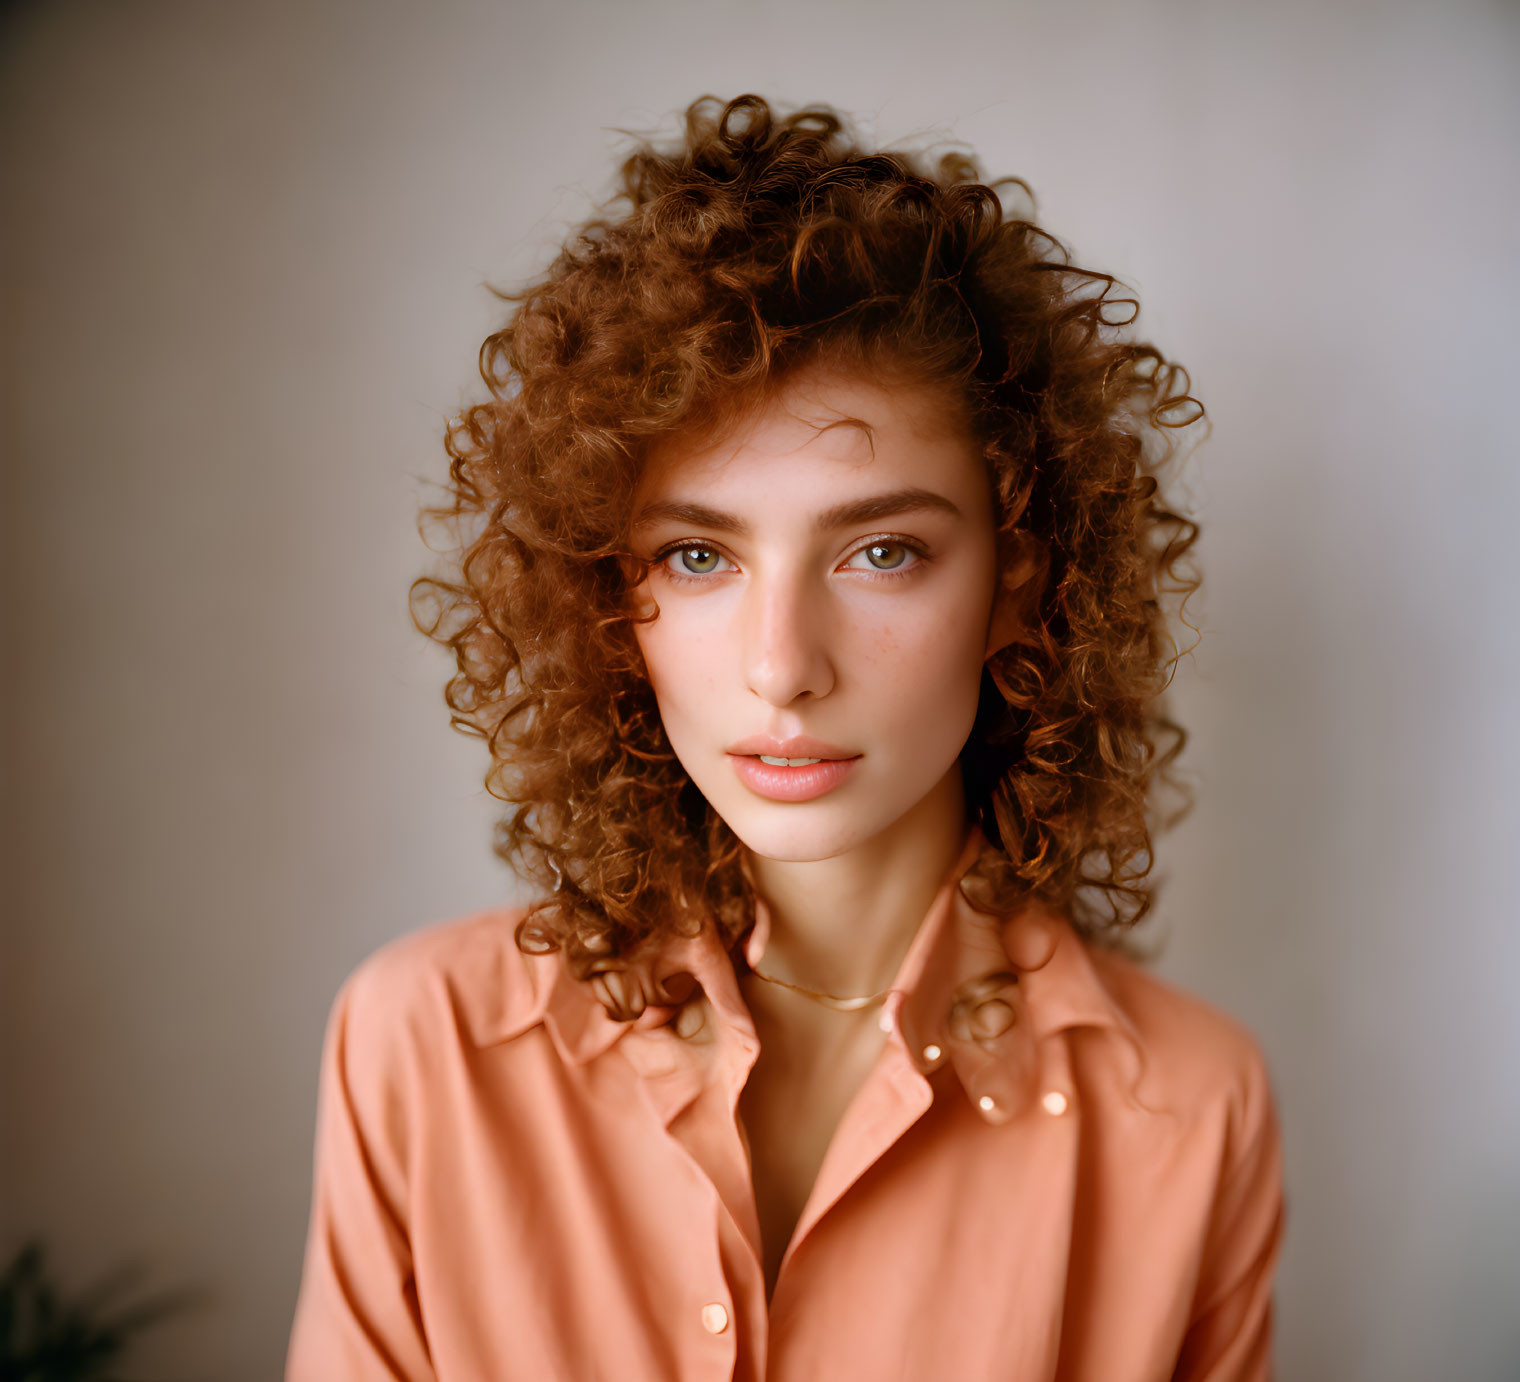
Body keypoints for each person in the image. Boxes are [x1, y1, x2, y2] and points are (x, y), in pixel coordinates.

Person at [285, 93, 1285, 1381]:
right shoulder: (424, 1049)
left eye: (881, 552)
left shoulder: (1190, 1116)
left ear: (1018, 582)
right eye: (697, 555)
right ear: (609, 594)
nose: (780, 668)